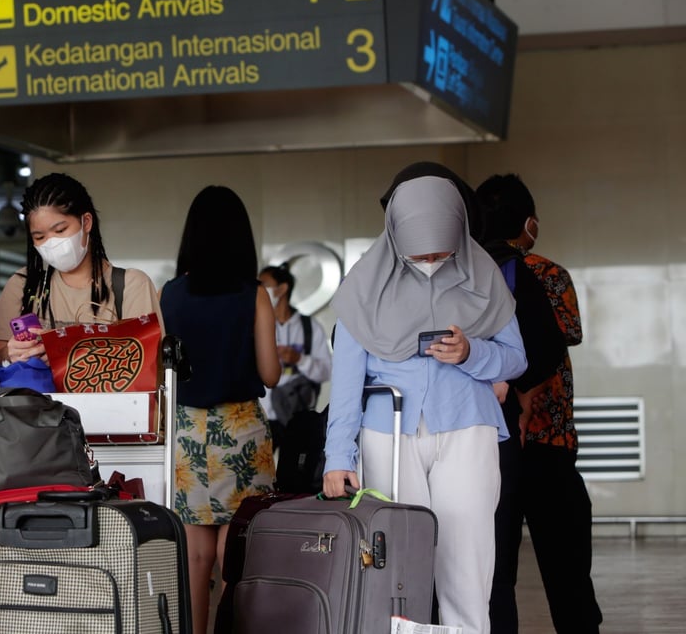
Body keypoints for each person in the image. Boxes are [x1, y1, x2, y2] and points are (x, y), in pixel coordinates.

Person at [322, 169, 527, 634]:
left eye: (440, 250)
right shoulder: (364, 285)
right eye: (419, 252)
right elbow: (348, 384)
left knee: (467, 563)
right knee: (398, 569)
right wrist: (338, 457)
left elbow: (515, 360)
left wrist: (472, 352)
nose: (431, 260)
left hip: (467, 429)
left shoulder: (484, 276)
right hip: (388, 434)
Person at [477, 173, 603, 634]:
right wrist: (529, 401)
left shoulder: (469, 274)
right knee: (568, 570)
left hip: (488, 444)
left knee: (495, 571)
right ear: (529, 221)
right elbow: (561, 339)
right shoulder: (546, 274)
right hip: (548, 442)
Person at [159, 185, 280, 634]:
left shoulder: (169, 294)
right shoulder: (254, 294)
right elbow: (270, 374)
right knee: (236, 554)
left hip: (187, 433)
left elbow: (162, 372)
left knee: (194, 555)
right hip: (242, 431)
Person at [0, 172, 162, 366]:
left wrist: (62, 349)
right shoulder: (23, 285)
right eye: (39, 237)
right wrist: (11, 354)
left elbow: (147, 362)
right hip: (37, 396)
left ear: (86, 222)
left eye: (60, 230)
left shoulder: (130, 286)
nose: (51, 243)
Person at [257, 263, 332, 451]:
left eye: (263, 284)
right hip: (262, 415)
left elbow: (326, 371)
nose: (257, 289)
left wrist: (300, 359)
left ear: (282, 289)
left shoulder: (309, 327)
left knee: (294, 474)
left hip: (298, 415)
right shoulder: (254, 324)